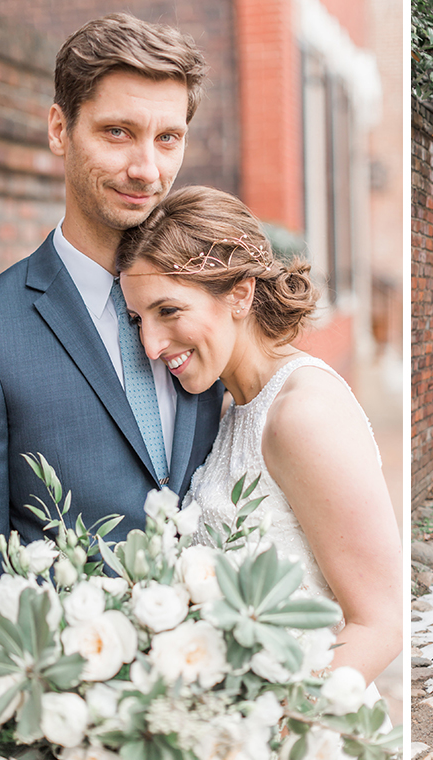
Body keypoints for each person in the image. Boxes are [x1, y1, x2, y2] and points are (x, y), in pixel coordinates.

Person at [0, 14, 224, 629]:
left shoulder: (217, 306)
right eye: (117, 132)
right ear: (60, 128)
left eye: (168, 138)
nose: (147, 169)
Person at [116, 186, 402, 685]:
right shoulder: (229, 409)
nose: (151, 345)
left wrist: (279, 725)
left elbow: (381, 622)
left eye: (168, 311)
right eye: (137, 319)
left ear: (240, 294)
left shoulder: (303, 414)